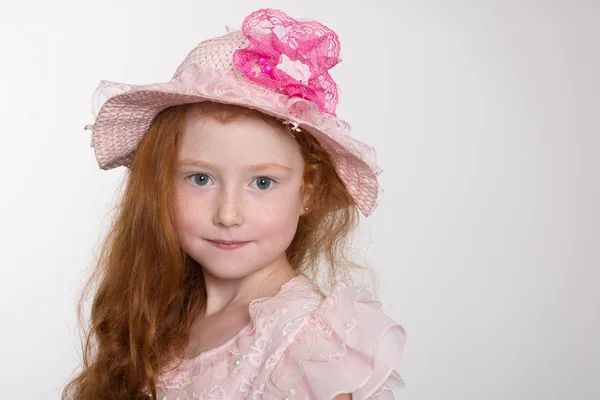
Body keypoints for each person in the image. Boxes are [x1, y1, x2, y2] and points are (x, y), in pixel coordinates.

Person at [64, 8, 407, 400]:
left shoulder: (306, 345)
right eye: (200, 179)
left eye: (262, 182)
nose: (228, 214)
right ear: (162, 185)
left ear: (307, 192)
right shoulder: (160, 319)